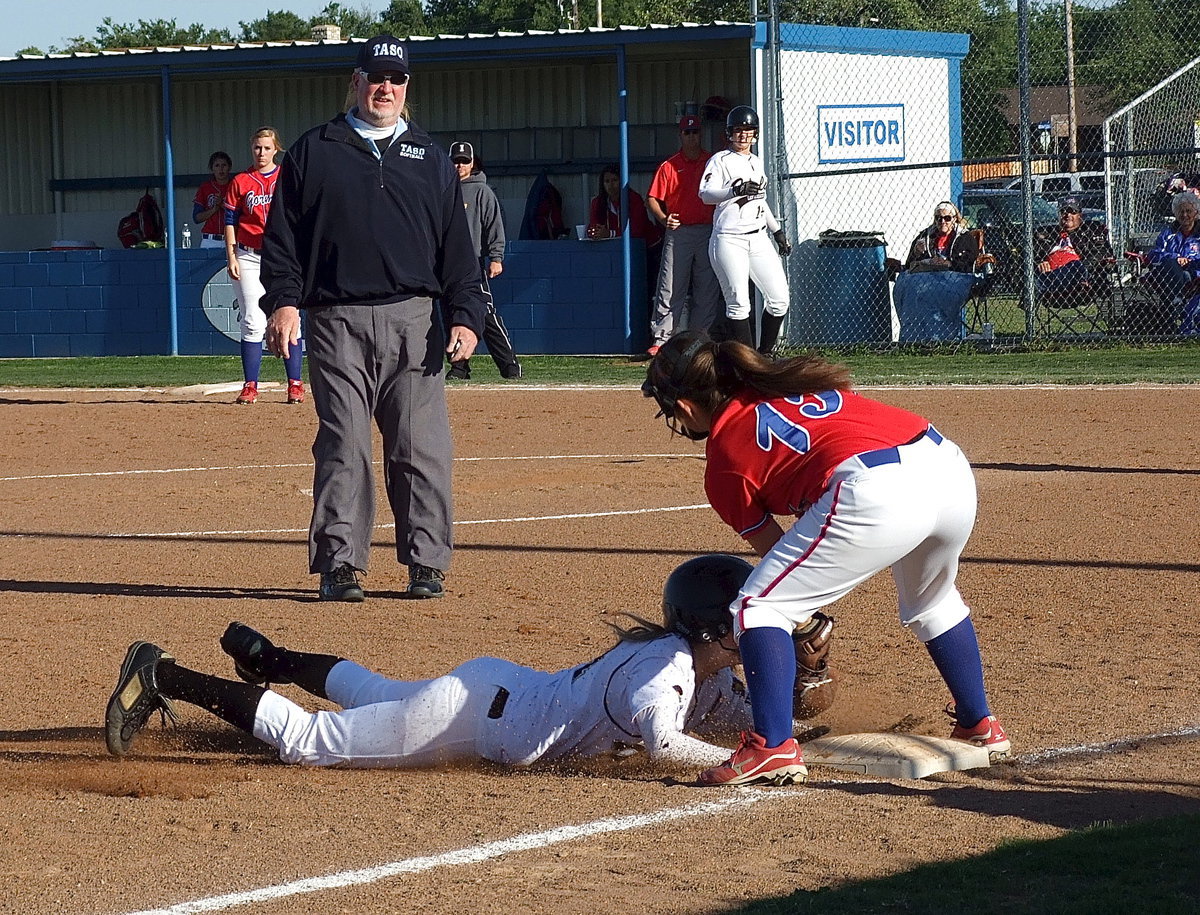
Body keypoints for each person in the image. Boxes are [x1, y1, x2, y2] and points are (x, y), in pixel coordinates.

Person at [642, 332, 1010, 786]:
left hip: (875, 491)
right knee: (932, 602)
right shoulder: (791, 383)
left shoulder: (723, 461)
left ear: (685, 406)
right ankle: (979, 725)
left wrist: (802, 617)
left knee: (760, 608)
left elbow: (774, 555)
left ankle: (771, 747)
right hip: (948, 467)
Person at [103, 555, 828, 776]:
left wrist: (796, 715)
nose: (755, 621)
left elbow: (765, 726)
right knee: (311, 743)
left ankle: (273, 658)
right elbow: (668, 743)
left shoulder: (709, 672)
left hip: (491, 691)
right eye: (742, 611)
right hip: (475, 720)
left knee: (374, 694)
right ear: (709, 624)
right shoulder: (663, 670)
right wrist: (746, 767)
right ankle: (162, 673)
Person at [259, 36, 486, 602]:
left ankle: (427, 563)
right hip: (336, 321)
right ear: (355, 81)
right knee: (343, 444)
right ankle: (340, 564)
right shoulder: (315, 150)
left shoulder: (430, 157)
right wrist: (283, 301)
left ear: (407, 87)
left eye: (398, 79)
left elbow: (456, 249)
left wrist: (467, 315)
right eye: (376, 77)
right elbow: (282, 240)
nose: (387, 88)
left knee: (420, 447)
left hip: (416, 323)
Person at [699, 106, 792, 356]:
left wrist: (777, 231)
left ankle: (764, 354)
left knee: (779, 299)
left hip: (758, 236)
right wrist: (734, 191)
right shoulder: (720, 160)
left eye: (748, 131)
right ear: (729, 133)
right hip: (729, 238)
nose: (743, 136)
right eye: (738, 131)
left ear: (755, 134)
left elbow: (760, 201)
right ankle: (747, 361)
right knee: (739, 303)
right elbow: (705, 194)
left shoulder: (756, 161)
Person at [224, 127, 304, 406]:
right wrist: (231, 256)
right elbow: (230, 221)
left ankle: (295, 384)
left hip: (282, 255)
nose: (261, 153)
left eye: (267, 148)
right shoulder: (241, 181)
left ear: (276, 149)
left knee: (290, 320)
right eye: (257, 147)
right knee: (253, 320)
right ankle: (250, 385)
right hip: (248, 254)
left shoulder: (286, 177)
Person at [646, 114, 722, 356]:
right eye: (687, 133)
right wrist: (663, 218)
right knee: (670, 286)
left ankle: (699, 340)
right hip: (679, 231)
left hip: (708, 230)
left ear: (701, 134)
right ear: (681, 135)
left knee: (707, 287)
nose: (692, 137)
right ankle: (661, 339)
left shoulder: (713, 162)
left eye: (696, 132)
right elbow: (652, 198)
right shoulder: (669, 166)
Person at [446, 141, 521, 381]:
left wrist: (496, 257)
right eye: (455, 161)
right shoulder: (443, 190)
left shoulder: (482, 191)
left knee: (485, 313)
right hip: (445, 265)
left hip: (472, 263)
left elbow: (494, 226)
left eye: (465, 161)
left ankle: (509, 366)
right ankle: (459, 367)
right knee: (452, 315)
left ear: (473, 163)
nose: (460, 166)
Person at [890, 202, 980, 342]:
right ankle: (913, 337)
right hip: (927, 276)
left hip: (954, 276)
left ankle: (940, 337)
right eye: (938, 218)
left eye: (947, 218)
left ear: (954, 218)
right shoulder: (926, 236)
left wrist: (949, 263)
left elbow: (968, 264)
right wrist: (917, 253)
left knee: (928, 292)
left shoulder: (964, 237)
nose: (942, 222)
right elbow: (910, 264)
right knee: (906, 283)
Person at [1032, 196, 1113, 299]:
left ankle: (1038, 289)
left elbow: (1100, 253)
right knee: (1033, 274)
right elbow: (1030, 255)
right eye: (1064, 212)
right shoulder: (1047, 233)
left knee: (1076, 265)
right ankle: (1035, 293)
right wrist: (1039, 262)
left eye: (1073, 212)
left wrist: (1085, 268)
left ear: (1080, 215)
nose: (1068, 215)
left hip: (1077, 280)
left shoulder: (1090, 231)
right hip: (1050, 279)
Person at [1148, 190, 1200, 332]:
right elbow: (1155, 253)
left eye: (1188, 211)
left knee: (1186, 275)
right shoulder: (1168, 233)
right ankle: (1174, 304)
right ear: (1176, 213)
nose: (1185, 215)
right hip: (1170, 275)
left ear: (1196, 213)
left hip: (1195, 274)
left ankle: (1180, 316)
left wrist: (1190, 261)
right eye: (1181, 211)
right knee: (1171, 264)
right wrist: (1176, 258)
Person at [586, 164, 658, 242]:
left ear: (622, 180)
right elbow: (593, 225)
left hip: (648, 246)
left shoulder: (634, 199)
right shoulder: (597, 202)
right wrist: (595, 232)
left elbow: (637, 229)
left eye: (615, 180)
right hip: (614, 248)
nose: (611, 185)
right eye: (607, 181)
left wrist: (610, 233)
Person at [192, 151, 232, 249]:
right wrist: (214, 209)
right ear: (212, 168)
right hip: (210, 240)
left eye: (224, 165)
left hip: (232, 238)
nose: (221, 169)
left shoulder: (235, 186)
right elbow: (196, 218)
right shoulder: (205, 187)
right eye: (217, 165)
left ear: (229, 167)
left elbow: (242, 215)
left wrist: (222, 204)